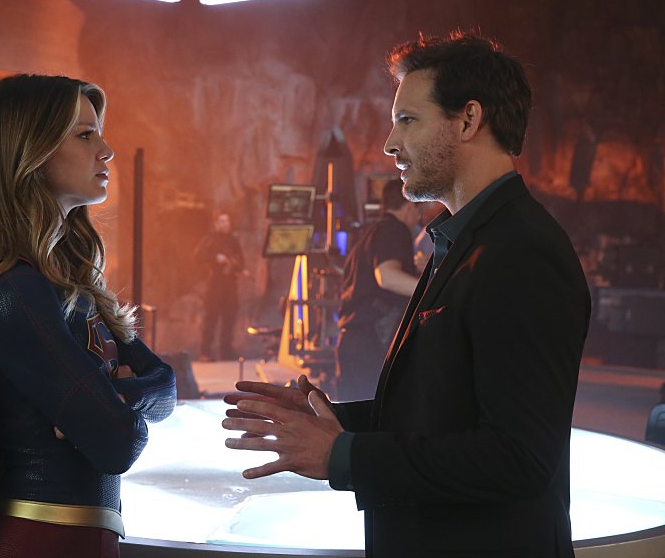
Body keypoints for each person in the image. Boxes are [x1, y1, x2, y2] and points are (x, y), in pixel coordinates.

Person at [222, 31, 591, 558]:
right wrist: (329, 418)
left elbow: (518, 457)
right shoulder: (468, 241)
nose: (389, 143)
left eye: (408, 120)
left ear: (468, 120)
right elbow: (444, 412)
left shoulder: (521, 252)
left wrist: (345, 457)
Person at [0, 74, 177, 558]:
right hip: (38, 539)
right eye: (85, 135)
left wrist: (118, 396)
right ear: (32, 151)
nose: (107, 151)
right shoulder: (10, 287)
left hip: (75, 538)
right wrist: (120, 404)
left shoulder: (66, 280)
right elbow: (117, 443)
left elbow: (167, 387)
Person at [335, 179, 417, 401]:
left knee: (354, 412)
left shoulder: (370, 233)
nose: (419, 218)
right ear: (410, 206)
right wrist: (432, 287)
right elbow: (387, 277)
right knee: (374, 412)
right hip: (370, 341)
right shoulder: (394, 229)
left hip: (351, 340)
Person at [195, 211, 249, 361]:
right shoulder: (210, 239)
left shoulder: (233, 240)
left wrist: (241, 269)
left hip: (230, 284)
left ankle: (226, 351)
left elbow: (240, 258)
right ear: (216, 224)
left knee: (229, 318)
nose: (226, 224)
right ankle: (205, 352)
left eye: (227, 221)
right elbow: (198, 256)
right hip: (214, 283)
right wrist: (215, 257)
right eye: (222, 221)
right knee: (211, 318)